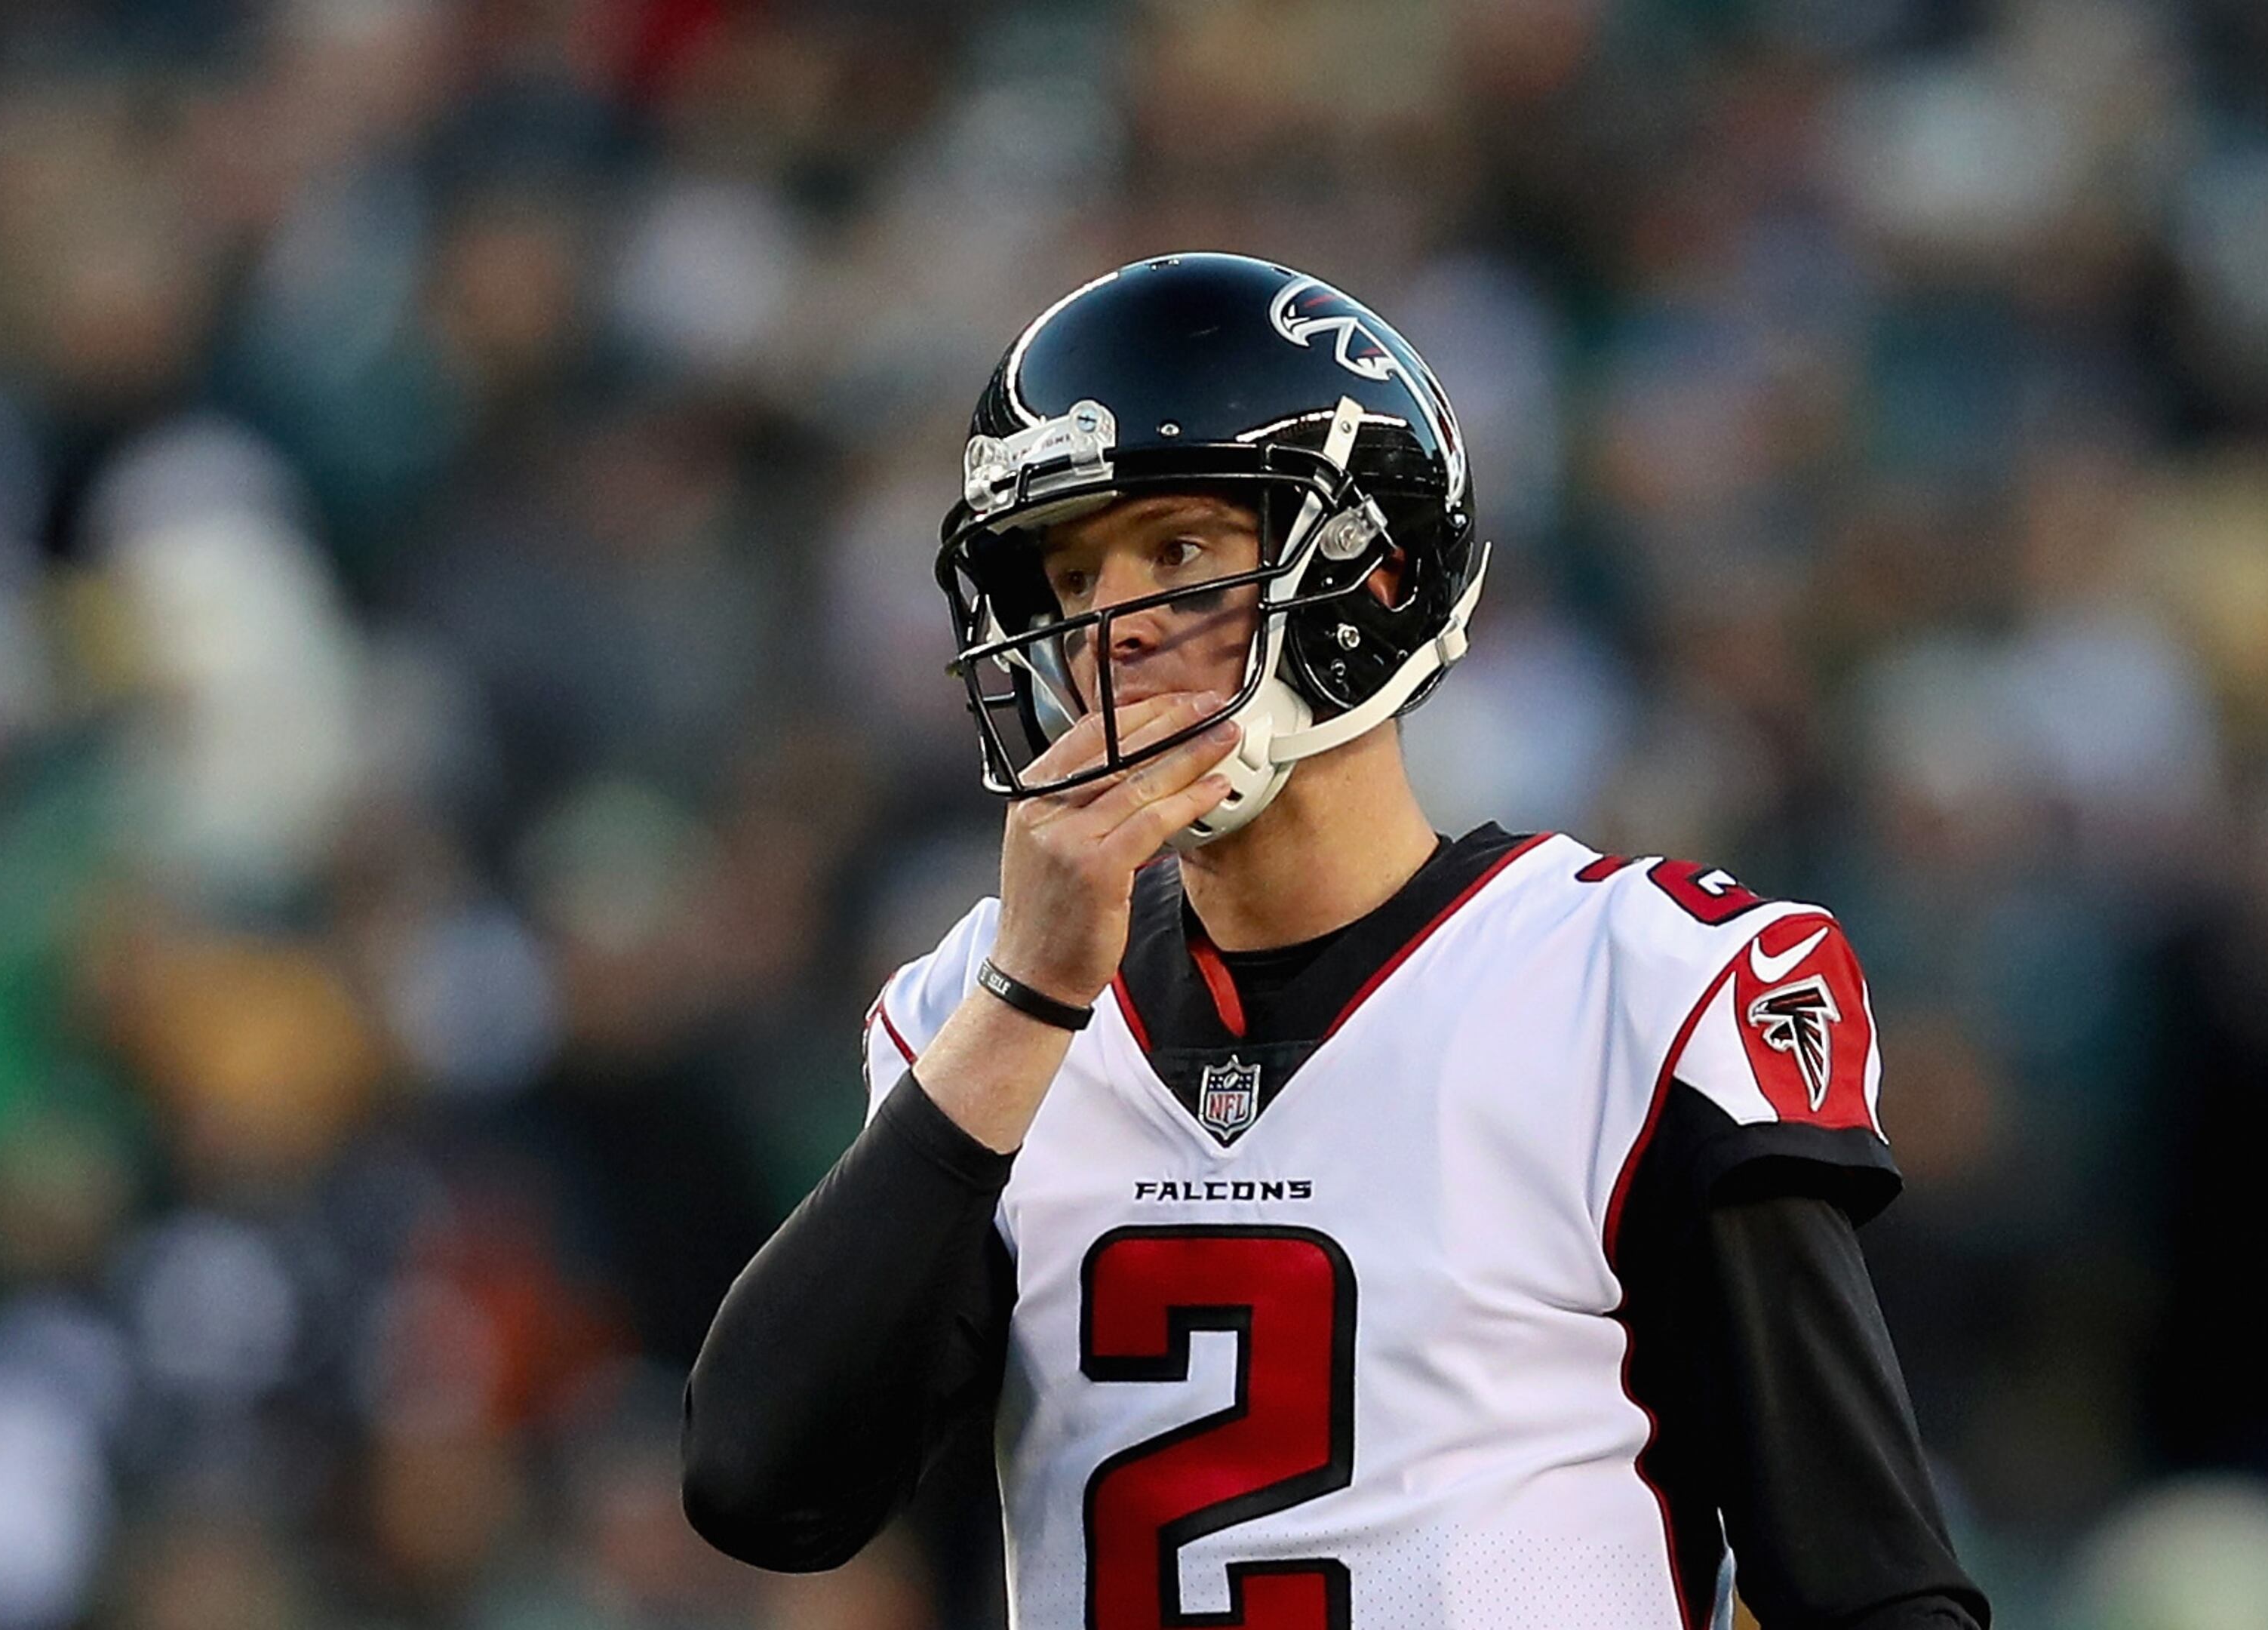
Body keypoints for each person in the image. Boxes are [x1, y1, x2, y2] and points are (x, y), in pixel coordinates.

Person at [683, 252, 1989, 1630]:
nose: (1106, 630)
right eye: (1070, 577)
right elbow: (765, 1485)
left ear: (1377, 572)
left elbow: (1869, 1589)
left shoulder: (1630, 983)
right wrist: (1030, 998)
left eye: (1178, 553)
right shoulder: (975, 1011)